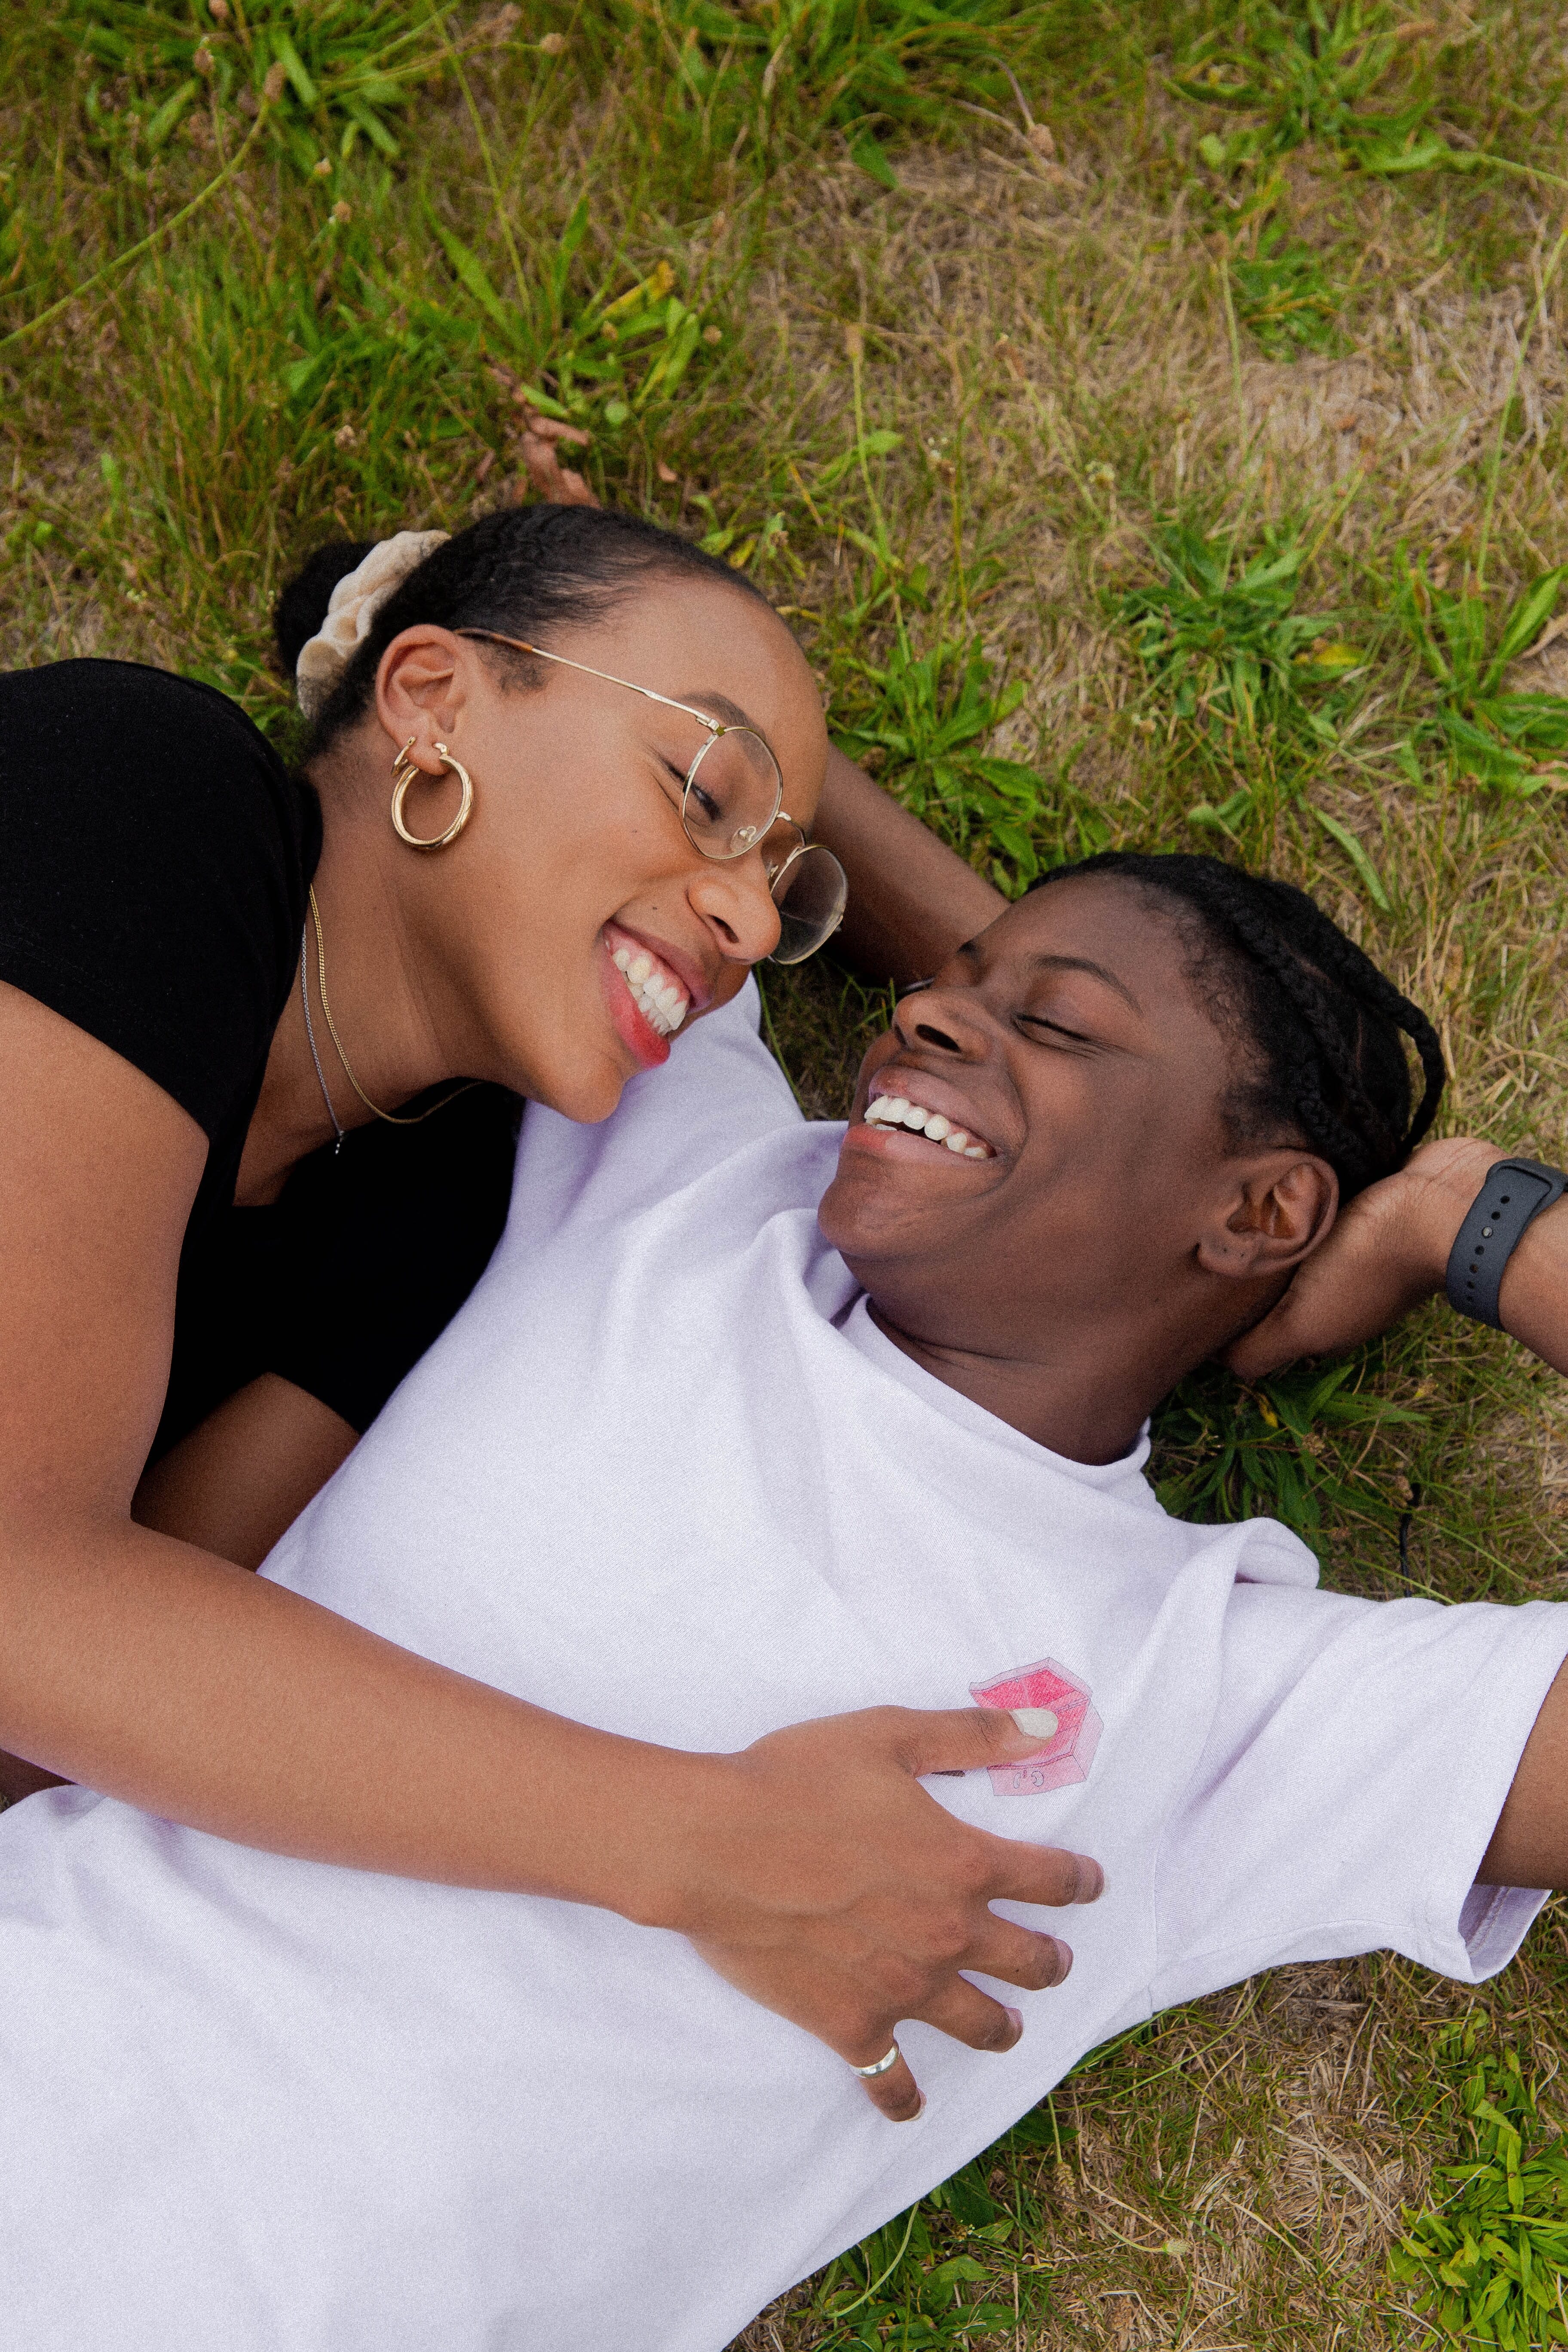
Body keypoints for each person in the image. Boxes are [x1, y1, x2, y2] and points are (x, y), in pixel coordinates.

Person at [3, 850, 1566, 2352]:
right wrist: (996, 982)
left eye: (1060, 1022)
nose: (921, 1014)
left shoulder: (1207, 1684)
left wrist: (1472, 1219)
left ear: (1261, 1213)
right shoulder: (689, 1178)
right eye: (947, 984)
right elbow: (638, 763)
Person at [0, 501, 1063, 2080]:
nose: (756, 922)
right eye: (707, 794)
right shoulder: (139, 801)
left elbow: (55, 1732)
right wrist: (701, 1844)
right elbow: (31, 1597)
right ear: (429, 701)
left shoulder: (431, 1205)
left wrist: (1100, 1065)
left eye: (785, 884)